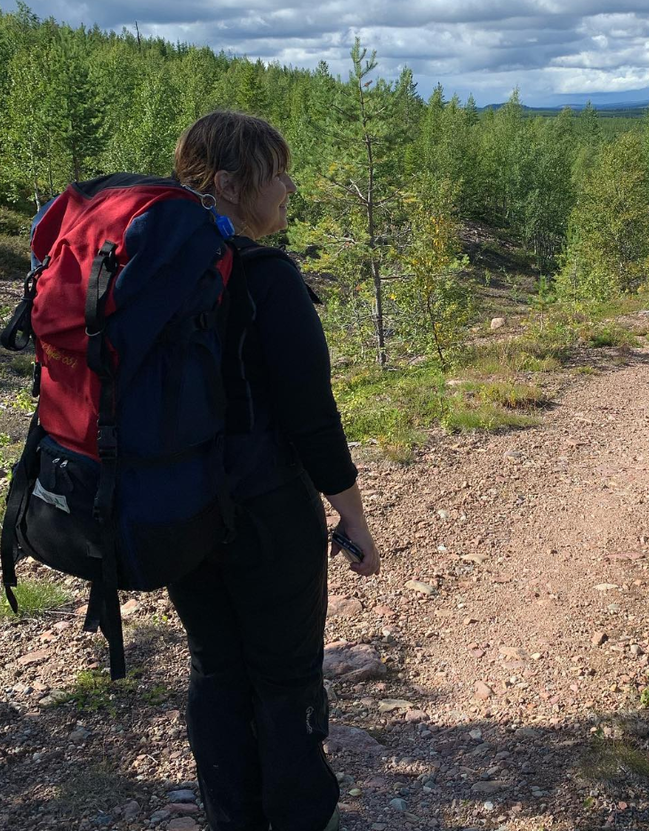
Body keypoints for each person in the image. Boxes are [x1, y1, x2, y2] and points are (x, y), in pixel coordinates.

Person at [166, 110, 380, 831]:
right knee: (285, 681)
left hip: (182, 512)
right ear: (227, 184)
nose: (289, 185)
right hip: (267, 518)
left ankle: (232, 819)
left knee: (216, 668)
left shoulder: (158, 271)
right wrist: (352, 514)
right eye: (275, 172)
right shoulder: (267, 277)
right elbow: (311, 416)